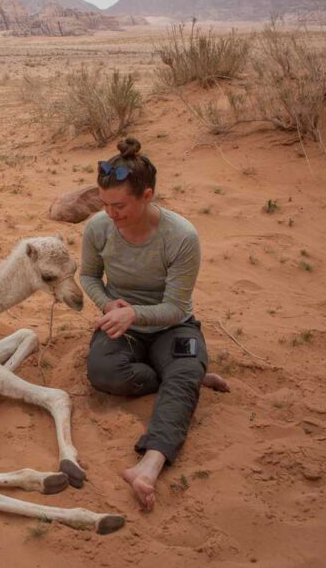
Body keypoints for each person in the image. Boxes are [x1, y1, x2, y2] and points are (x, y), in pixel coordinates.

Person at [80, 137, 229, 512]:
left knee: (183, 366)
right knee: (104, 373)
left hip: (173, 325)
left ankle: (150, 464)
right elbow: (89, 277)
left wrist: (136, 313)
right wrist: (107, 303)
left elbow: (177, 307)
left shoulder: (181, 237)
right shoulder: (98, 228)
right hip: (121, 324)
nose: (110, 213)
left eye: (119, 205)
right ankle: (182, 376)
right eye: (104, 204)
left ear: (147, 195)